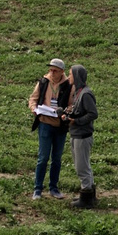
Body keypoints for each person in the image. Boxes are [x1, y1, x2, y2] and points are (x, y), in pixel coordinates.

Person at [29, 58, 73, 198]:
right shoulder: (43, 82)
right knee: (43, 157)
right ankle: (38, 189)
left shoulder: (68, 85)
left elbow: (72, 104)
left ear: (62, 72)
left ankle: (54, 188)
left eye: (55, 70)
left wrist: (65, 111)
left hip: (60, 125)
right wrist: (34, 109)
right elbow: (33, 99)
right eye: (51, 70)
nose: (52, 72)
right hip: (45, 123)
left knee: (57, 158)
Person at [64, 65, 100, 208]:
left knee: (81, 167)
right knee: (84, 165)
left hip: (82, 135)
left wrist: (76, 121)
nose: (68, 77)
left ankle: (86, 196)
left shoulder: (85, 94)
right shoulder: (78, 92)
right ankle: (90, 195)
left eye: (70, 74)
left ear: (77, 76)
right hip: (77, 134)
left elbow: (93, 114)